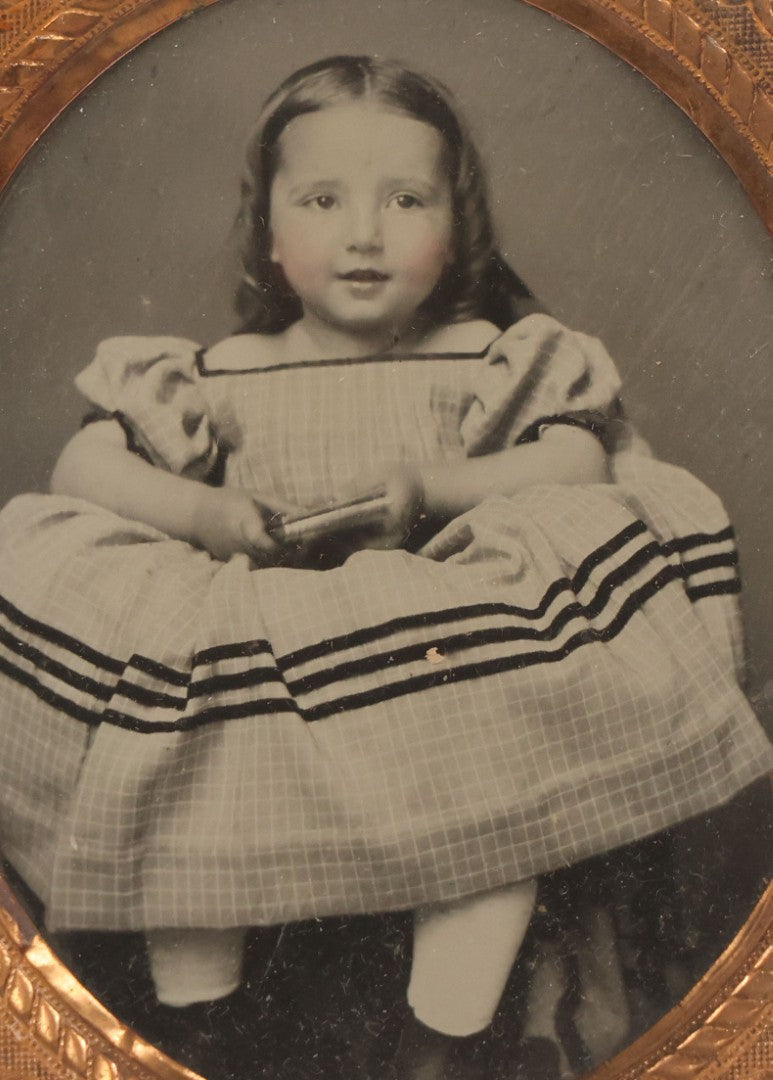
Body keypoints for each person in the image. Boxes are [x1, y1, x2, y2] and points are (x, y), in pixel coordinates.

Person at [0, 55, 769, 1080]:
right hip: (265, 689)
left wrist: (432, 488)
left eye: (404, 199)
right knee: (187, 804)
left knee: (489, 827)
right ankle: (202, 1028)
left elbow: (576, 458)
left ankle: (438, 1041)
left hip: (430, 690)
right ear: (270, 231)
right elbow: (82, 464)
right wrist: (208, 512)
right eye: (322, 199)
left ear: (456, 228)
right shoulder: (219, 374)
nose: (363, 233)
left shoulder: (485, 357)